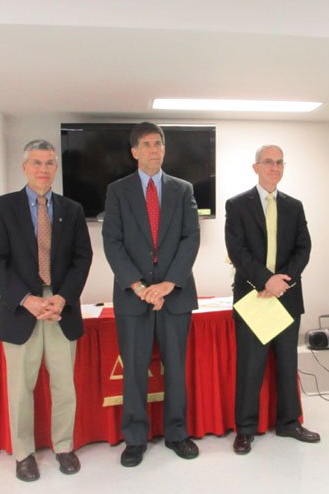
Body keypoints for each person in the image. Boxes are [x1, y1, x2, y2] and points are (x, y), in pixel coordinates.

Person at [0, 139, 93, 481]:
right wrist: (27, 299)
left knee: (64, 385)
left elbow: (82, 259)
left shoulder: (72, 209)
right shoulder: (1, 207)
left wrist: (63, 297)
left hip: (60, 308)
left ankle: (63, 447)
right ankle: (24, 454)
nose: (43, 169)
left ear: (55, 169)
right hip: (21, 309)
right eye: (36, 163)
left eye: (49, 163)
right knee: (21, 388)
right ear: (25, 167)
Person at [102, 122, 200, 467]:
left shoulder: (183, 189)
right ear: (134, 152)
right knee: (134, 371)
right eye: (145, 144)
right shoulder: (118, 191)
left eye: (158, 143)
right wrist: (141, 287)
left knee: (176, 369)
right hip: (134, 296)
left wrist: (169, 284)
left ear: (164, 148)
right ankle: (134, 438)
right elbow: (112, 242)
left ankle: (177, 434)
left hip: (175, 296)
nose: (153, 150)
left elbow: (191, 239)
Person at [225, 144, 319, 455]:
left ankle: (289, 423)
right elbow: (238, 252)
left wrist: (282, 283)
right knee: (251, 366)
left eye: (279, 162)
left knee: (287, 363)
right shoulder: (237, 205)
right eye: (268, 162)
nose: (274, 167)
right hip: (254, 296)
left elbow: (303, 250)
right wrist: (266, 280)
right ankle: (246, 430)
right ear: (256, 167)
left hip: (287, 297)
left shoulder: (295, 206)